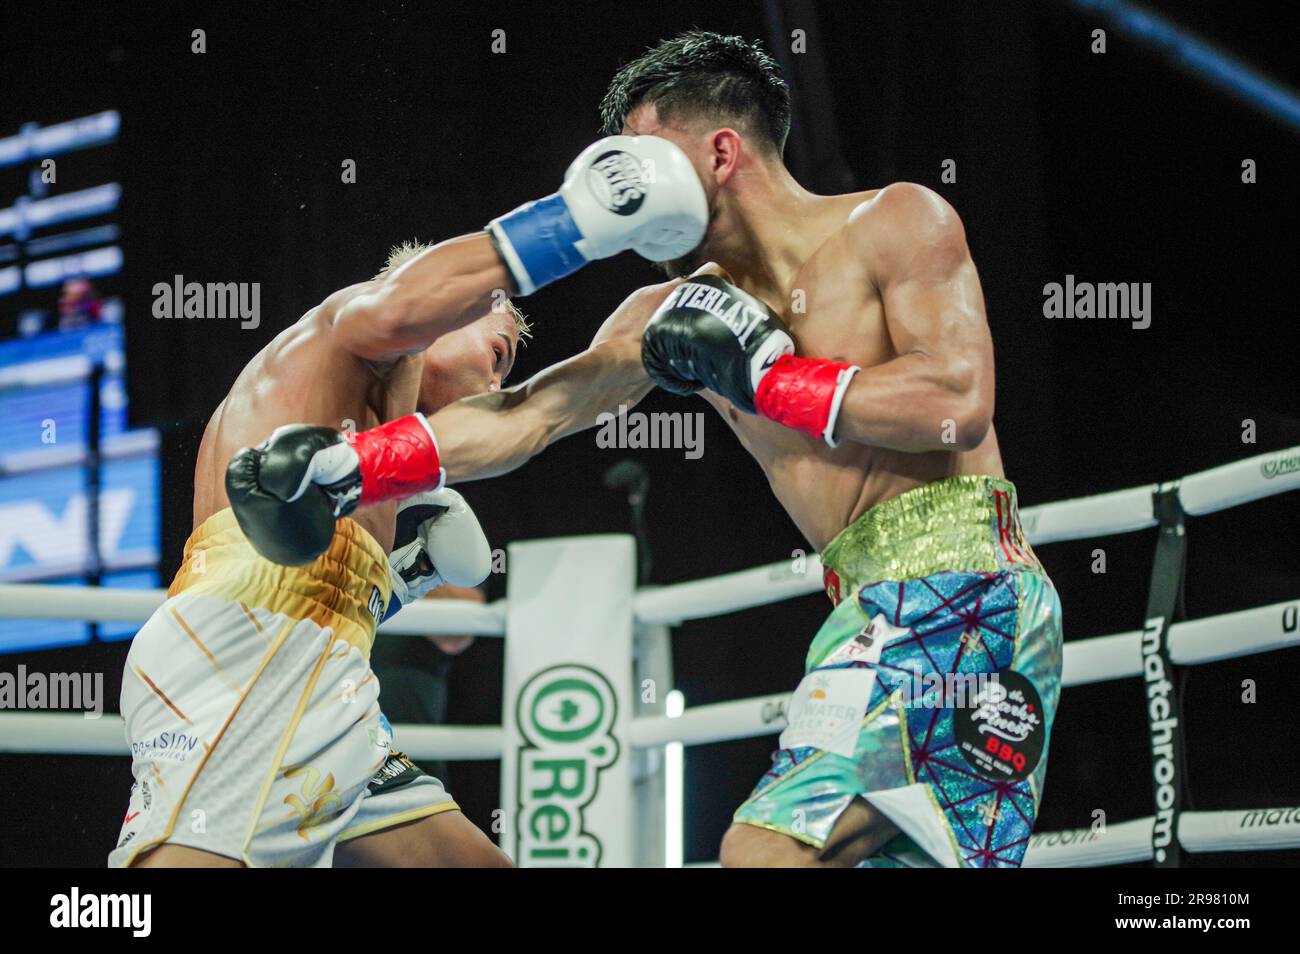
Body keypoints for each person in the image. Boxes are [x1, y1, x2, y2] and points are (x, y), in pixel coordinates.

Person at [236, 31, 1062, 869]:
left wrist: (769, 379)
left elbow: (956, 401)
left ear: (720, 153)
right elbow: (529, 415)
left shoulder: (894, 220)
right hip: (872, 601)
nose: (623, 190)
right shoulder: (668, 312)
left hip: (962, 586)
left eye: (640, 155)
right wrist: (358, 466)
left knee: (763, 855)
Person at [110, 132, 709, 867]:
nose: (496, 384)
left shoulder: (367, 449)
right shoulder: (347, 330)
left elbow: (532, 418)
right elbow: (400, 309)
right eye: (497, 352)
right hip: (250, 651)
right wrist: (579, 219)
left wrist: (648, 340)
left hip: (327, 672)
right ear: (451, 310)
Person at [369, 584, 485, 786]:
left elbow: (462, 624)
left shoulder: (431, 553)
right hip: (331, 722)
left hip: (407, 734)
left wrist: (392, 576)